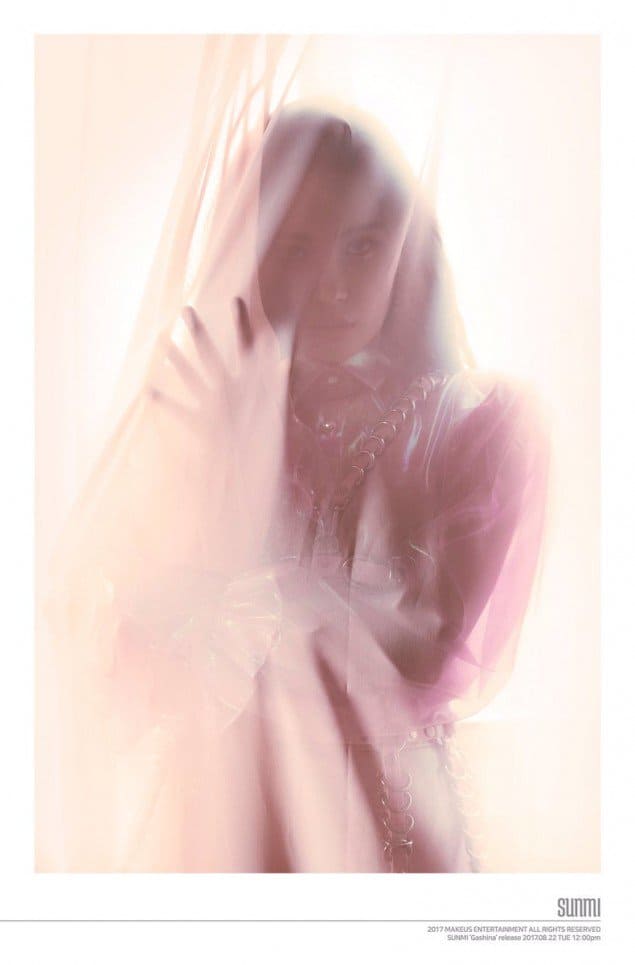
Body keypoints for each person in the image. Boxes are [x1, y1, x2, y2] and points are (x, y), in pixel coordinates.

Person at [44, 98, 548, 873]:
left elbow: (426, 656)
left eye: (362, 245)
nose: (330, 285)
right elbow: (130, 647)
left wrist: (254, 584)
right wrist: (222, 479)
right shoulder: (223, 408)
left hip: (386, 824)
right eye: (296, 246)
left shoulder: (476, 427)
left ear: (407, 247)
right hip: (226, 816)